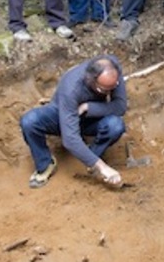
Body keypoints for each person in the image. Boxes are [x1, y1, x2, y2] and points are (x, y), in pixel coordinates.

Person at [20, 55, 127, 188]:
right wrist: (103, 167)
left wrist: (88, 107)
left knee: (115, 125)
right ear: (91, 81)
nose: (110, 92)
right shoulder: (71, 88)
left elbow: (120, 107)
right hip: (62, 116)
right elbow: (70, 139)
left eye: (113, 88)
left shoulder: (113, 69)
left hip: (89, 118)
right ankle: (45, 163)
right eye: (105, 90)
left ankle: (92, 156)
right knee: (30, 121)